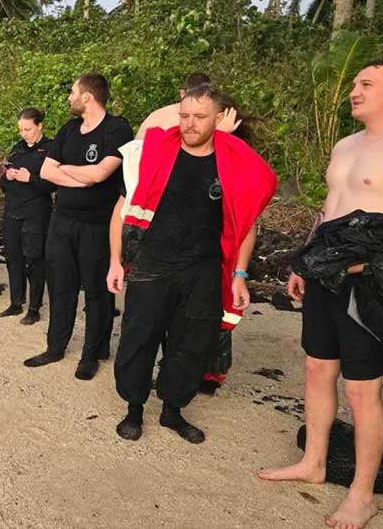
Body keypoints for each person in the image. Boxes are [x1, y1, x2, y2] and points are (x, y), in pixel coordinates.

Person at [258, 60, 383, 529]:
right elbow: (329, 211)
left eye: (366, 83)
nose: (353, 91)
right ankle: (314, 461)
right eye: (353, 84)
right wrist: (304, 261)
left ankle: (362, 494)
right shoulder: (345, 145)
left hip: (374, 282)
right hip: (325, 275)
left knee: (362, 389)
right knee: (316, 369)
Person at [107, 83, 276, 445]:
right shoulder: (151, 153)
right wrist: (114, 262)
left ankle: (172, 411)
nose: (189, 124)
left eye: (200, 117)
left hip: (202, 269)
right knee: (138, 340)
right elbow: (120, 211)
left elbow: (244, 226)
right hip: (152, 262)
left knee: (190, 345)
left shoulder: (232, 164)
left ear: (219, 119)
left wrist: (240, 274)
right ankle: (134, 408)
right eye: (184, 115)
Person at [22, 73, 133, 380]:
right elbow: (46, 170)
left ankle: (92, 354)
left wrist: (70, 171)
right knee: (60, 286)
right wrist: (81, 176)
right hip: (62, 221)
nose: (69, 98)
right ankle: (55, 347)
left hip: (97, 225)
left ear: (87, 96)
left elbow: (101, 174)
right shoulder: (70, 129)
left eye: (73, 92)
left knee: (97, 293)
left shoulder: (117, 128)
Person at [0, 108, 56, 326]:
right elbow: (2, 182)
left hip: (36, 211)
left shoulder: (50, 149)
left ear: (39, 125)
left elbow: (52, 183)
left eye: (28, 129)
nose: (24, 133)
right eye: (21, 129)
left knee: (34, 258)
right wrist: (8, 176)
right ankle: (16, 301)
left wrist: (29, 178)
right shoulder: (17, 149)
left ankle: (34, 306)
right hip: (13, 209)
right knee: (13, 257)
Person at [136, 73, 212, 139]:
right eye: (193, 96)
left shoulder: (218, 117)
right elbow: (136, 150)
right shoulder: (159, 118)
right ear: (183, 94)